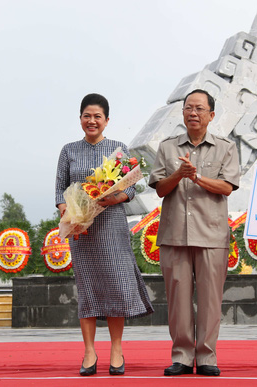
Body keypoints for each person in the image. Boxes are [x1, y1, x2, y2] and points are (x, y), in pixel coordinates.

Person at [55, 93, 154, 377]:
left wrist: (120, 195)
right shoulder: (69, 150)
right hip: (81, 230)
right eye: (87, 115)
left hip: (111, 225)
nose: (92, 121)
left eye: (98, 116)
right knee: (87, 289)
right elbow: (59, 189)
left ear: (107, 120)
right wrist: (68, 214)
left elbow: (135, 185)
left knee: (115, 286)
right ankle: (88, 351)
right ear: (80, 119)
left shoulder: (118, 149)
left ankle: (116, 349)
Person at [148, 89, 240, 377]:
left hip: (211, 234)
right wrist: (179, 174)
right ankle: (183, 357)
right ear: (183, 113)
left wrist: (197, 176)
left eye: (200, 108)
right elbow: (161, 189)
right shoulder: (167, 147)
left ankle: (207, 355)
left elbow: (227, 188)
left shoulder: (226, 148)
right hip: (175, 234)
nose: (193, 113)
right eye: (189, 108)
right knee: (178, 300)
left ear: (211, 115)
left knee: (211, 299)